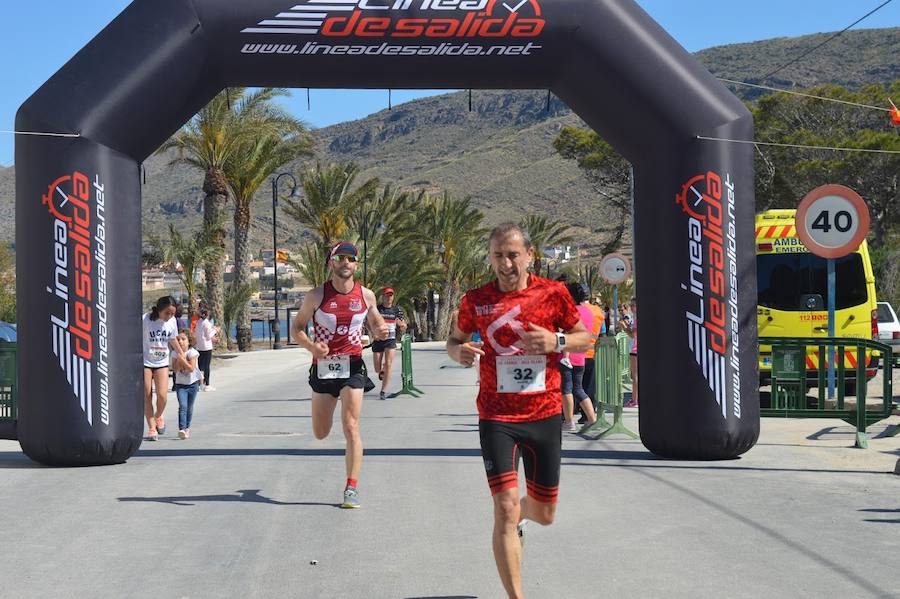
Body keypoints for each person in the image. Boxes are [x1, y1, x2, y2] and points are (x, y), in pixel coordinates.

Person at [446, 223, 592, 599]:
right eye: (498, 255)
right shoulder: (476, 300)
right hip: (496, 416)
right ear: (490, 257)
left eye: (513, 254)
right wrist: (456, 352)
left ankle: (523, 517)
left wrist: (556, 339)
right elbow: (454, 339)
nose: (506, 263)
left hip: (543, 414)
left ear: (529, 255)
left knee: (544, 513)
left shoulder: (553, 293)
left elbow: (585, 336)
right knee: (505, 508)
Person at [290, 241, 389, 509]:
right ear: (331, 263)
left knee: (351, 426)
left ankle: (351, 488)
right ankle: (323, 412)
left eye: (351, 258)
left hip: (353, 366)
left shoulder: (365, 295)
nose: (346, 262)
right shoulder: (316, 296)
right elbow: (296, 328)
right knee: (321, 433)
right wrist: (312, 347)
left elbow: (377, 321)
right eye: (340, 258)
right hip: (323, 369)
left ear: (356, 264)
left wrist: (381, 330)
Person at [142, 296, 186, 440]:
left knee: (162, 396)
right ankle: (151, 428)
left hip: (161, 362)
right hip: (145, 362)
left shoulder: (172, 321)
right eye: (167, 313)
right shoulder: (146, 320)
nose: (170, 316)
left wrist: (181, 352)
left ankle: (159, 415)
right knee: (146, 395)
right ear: (159, 310)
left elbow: (172, 338)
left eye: (172, 313)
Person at [559, 282, 599, 432]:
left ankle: (569, 421)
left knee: (566, 390)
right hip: (581, 354)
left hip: (567, 354)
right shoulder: (588, 312)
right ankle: (592, 418)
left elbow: (567, 332)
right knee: (578, 388)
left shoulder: (571, 311)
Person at [372, 287, 407, 400]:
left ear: (393, 297)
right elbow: (369, 322)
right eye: (386, 295)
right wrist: (374, 333)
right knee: (377, 369)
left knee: (388, 364)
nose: (388, 298)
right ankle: (382, 370)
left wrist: (402, 326)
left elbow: (403, 323)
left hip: (390, 340)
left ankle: (383, 391)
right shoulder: (377, 309)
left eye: (391, 295)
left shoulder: (397, 310)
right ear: (382, 297)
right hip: (378, 340)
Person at [172, 329, 202, 439]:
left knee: (189, 407)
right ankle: (182, 429)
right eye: (178, 339)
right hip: (180, 385)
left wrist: (182, 360)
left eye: (183, 339)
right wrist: (180, 360)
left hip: (193, 384)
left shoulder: (192, 352)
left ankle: (187, 427)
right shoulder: (175, 353)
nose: (180, 341)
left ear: (189, 341)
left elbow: (191, 368)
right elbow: (174, 369)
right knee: (183, 406)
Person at [581, 298, 607, 416]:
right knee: (589, 385)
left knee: (576, 385)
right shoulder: (598, 311)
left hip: (577, 352)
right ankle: (588, 413)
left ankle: (575, 411)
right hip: (593, 352)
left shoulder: (576, 309)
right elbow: (602, 334)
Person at [195, 307, 218, 391]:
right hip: (207, 347)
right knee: (207, 366)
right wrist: (215, 330)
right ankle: (207, 384)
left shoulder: (198, 322)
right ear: (207, 315)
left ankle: (199, 384)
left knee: (200, 366)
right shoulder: (207, 323)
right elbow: (208, 336)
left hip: (199, 346)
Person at [624, 296, 639, 407]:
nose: (632, 308)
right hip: (637, 349)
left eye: (634, 305)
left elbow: (633, 335)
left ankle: (635, 399)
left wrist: (624, 327)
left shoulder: (636, 319)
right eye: (631, 305)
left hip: (635, 350)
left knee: (635, 376)